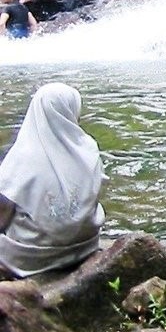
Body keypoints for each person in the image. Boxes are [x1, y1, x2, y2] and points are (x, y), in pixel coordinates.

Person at [0, 83, 105, 278]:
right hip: (85, 246)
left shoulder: (22, 156)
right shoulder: (89, 148)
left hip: (33, 257)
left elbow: (3, 214)